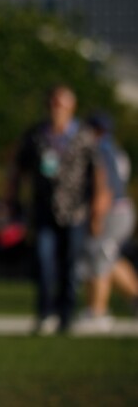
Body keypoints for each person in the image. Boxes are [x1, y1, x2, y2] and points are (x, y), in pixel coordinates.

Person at [9, 85, 103, 335]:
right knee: (44, 260)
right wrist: (12, 200)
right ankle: (45, 313)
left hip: (76, 212)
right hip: (43, 210)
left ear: (71, 107)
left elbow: (98, 174)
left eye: (61, 104)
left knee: (70, 264)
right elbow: (18, 168)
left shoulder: (84, 135)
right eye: (53, 104)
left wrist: (97, 208)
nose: (56, 109)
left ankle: (66, 314)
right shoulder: (37, 135)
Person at [78, 112, 137, 331]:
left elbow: (106, 187)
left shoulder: (101, 150)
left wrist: (97, 215)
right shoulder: (114, 148)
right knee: (109, 257)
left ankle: (98, 311)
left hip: (112, 210)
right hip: (122, 209)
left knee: (99, 255)